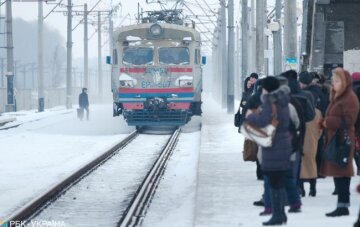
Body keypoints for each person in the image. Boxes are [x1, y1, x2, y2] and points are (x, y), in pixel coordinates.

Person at [245, 76, 291, 225]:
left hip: (273, 146)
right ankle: (281, 214)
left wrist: (251, 116)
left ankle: (277, 215)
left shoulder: (269, 102)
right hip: (283, 143)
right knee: (279, 181)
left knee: (274, 182)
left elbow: (263, 121)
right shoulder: (283, 102)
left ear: (267, 88)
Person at [319, 67, 359, 217]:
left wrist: (328, 122)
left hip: (343, 139)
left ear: (344, 82)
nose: (333, 83)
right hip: (335, 138)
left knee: (342, 172)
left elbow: (349, 120)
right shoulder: (337, 97)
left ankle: (343, 206)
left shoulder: (349, 98)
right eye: (333, 80)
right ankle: (342, 205)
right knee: (338, 172)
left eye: (336, 80)